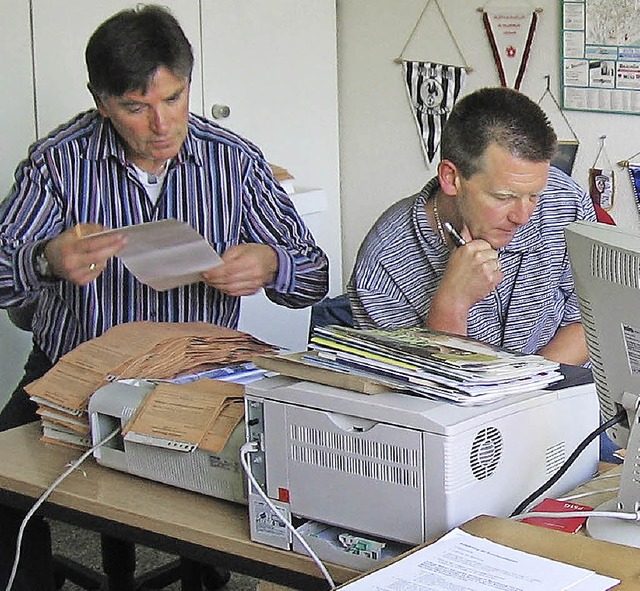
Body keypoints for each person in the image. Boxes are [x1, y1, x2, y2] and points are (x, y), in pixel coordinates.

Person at [0, 5, 328, 590]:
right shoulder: (58, 162)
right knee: (2, 489)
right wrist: (45, 258)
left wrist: (271, 264)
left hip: (198, 379)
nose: (161, 126)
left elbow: (314, 279)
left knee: (242, 493)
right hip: (74, 374)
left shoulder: (234, 161)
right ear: (102, 102)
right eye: (136, 107)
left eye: (173, 100)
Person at [348, 86, 595, 366]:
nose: (523, 216)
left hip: (555, 396)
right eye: (505, 197)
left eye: (534, 195)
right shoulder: (384, 264)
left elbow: (589, 321)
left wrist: (521, 392)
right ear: (451, 178)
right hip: (452, 407)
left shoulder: (564, 202)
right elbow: (414, 396)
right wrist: (452, 303)